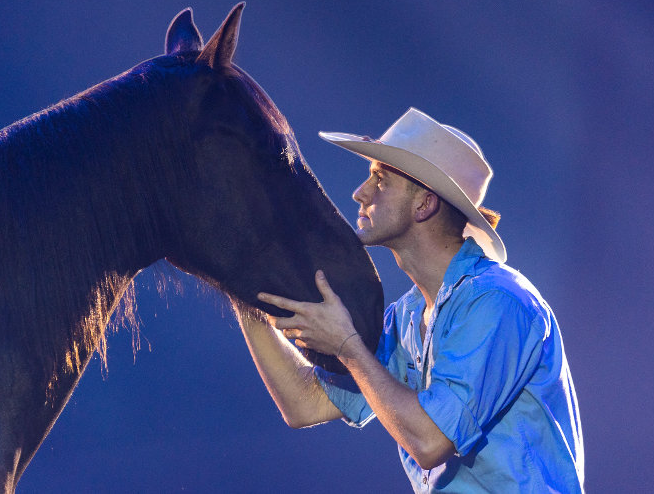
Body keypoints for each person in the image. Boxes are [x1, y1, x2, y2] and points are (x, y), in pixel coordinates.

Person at [238, 108, 584, 492]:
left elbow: (430, 441)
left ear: (425, 204)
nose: (360, 192)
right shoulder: (407, 315)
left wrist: (347, 346)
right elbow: (304, 404)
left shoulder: (498, 303)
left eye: (380, 180)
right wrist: (238, 280)